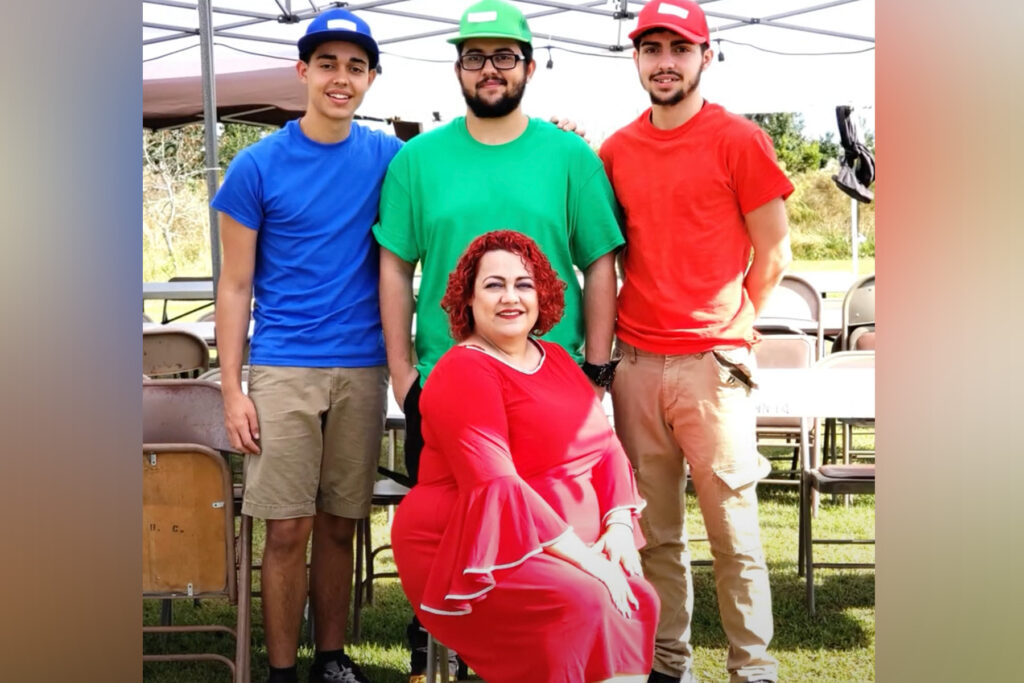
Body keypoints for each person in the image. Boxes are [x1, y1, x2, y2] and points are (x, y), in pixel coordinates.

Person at [374, 2, 624, 676]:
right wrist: (404, 374)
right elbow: (395, 266)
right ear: (457, 67)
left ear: (529, 67)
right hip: (448, 386)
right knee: (456, 527)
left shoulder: (570, 156)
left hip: (552, 389)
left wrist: (596, 367)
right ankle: (449, 637)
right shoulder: (418, 160)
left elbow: (600, 261)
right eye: (476, 56)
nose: (490, 69)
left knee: (552, 538)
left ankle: (559, 652)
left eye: (504, 56)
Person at [598, 2, 795, 682]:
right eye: (651, 49)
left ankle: (753, 668)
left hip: (713, 367)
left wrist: (730, 329)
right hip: (636, 365)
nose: (664, 62)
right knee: (654, 534)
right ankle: (666, 662)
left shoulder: (738, 139)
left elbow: (774, 251)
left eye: (679, 49)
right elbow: (606, 253)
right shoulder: (616, 150)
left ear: (705, 57)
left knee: (733, 532)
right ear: (637, 60)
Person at [212, 9, 400, 683]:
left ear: (371, 79)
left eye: (355, 66)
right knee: (286, 527)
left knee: (341, 523)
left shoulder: (389, 157)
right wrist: (233, 389)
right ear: (303, 72)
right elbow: (233, 286)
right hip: (283, 366)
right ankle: (283, 669)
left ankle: (331, 658)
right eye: (327, 64)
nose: (340, 78)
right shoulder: (256, 165)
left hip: (363, 365)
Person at [391, 230, 659, 683]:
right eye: (493, 285)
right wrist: (591, 562)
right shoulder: (463, 371)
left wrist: (615, 526)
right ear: (468, 300)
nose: (510, 297)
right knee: (586, 599)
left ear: (543, 295)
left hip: (555, 543)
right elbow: (497, 485)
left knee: (639, 596)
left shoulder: (553, 358)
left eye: (523, 284)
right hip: (475, 544)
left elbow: (604, 447)